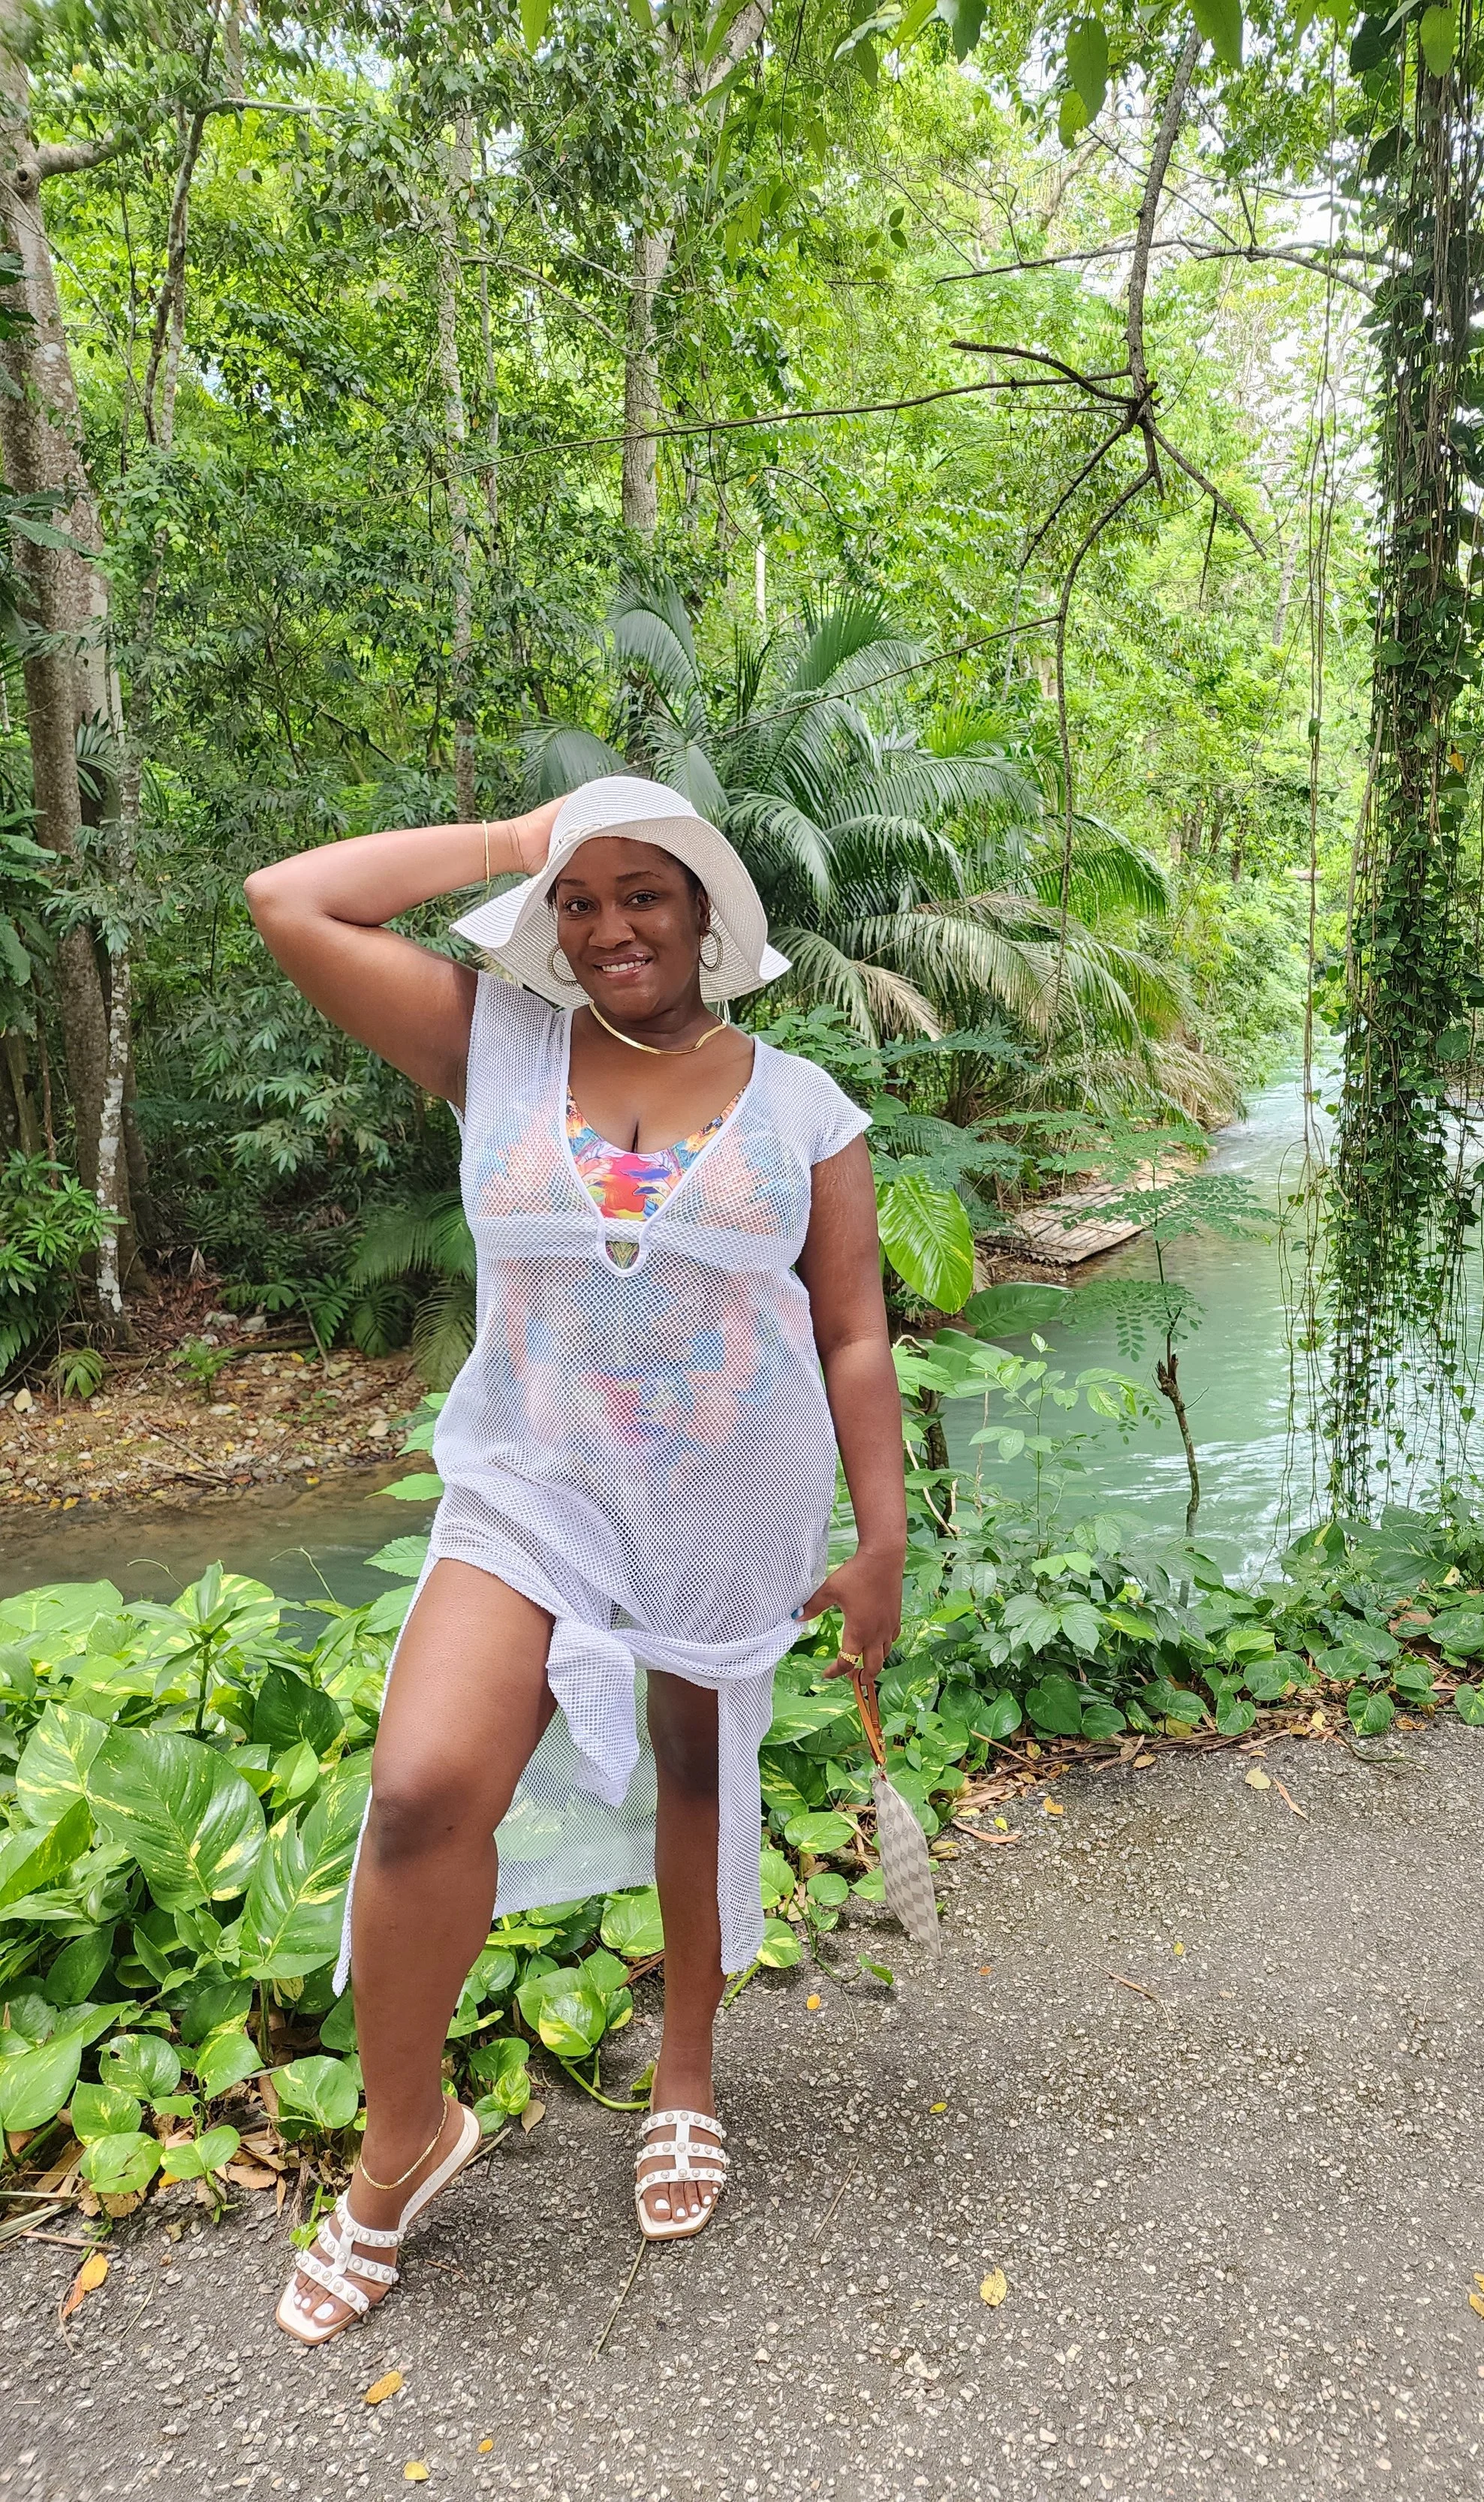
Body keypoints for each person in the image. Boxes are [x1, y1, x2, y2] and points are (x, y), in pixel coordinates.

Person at [245, 775, 906, 2343]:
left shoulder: (803, 1101)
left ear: (705, 913)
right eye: (584, 898)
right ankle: (400, 2139)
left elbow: (853, 1331)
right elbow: (291, 898)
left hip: (723, 1499)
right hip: (532, 1485)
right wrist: (510, 841)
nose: (614, 924)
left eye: (647, 893)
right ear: (552, 919)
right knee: (421, 1791)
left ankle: (683, 2075)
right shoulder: (495, 1046)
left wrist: (880, 1542)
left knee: (695, 1773)